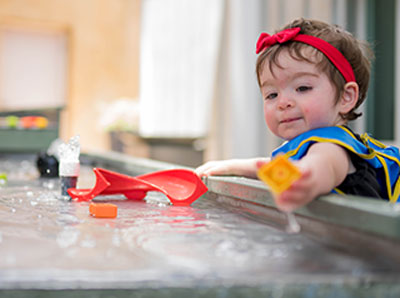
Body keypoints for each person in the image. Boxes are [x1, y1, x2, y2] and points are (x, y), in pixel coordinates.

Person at [195, 18, 400, 212]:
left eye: (302, 88)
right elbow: (274, 165)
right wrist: (231, 166)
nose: (283, 103)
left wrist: (306, 178)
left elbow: (322, 166)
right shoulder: (310, 145)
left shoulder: (331, 146)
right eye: (272, 94)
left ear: (346, 97)